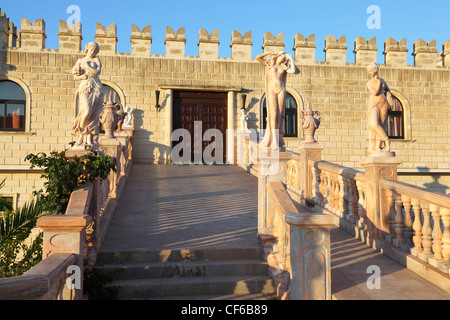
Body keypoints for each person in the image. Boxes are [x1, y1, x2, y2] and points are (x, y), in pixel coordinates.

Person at [256, 51, 295, 150]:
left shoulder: (283, 68)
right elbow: (258, 57)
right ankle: (273, 140)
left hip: (281, 89)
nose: (282, 57)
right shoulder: (269, 65)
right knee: (273, 113)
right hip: (272, 89)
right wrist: (269, 53)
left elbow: (293, 71)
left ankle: (277, 138)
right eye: (280, 55)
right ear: (276, 56)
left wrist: (290, 59)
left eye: (283, 56)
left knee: (280, 114)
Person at [72, 42, 103, 148]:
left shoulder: (96, 60)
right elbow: (75, 75)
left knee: (93, 114)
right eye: (92, 49)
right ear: (87, 49)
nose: (93, 52)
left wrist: (87, 67)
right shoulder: (80, 61)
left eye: (95, 50)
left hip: (96, 86)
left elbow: (97, 72)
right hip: (85, 85)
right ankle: (81, 135)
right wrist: (81, 77)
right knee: (87, 110)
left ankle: (89, 137)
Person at [366, 63, 392, 153]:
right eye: (369, 71)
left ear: (376, 70)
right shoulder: (370, 83)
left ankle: (378, 146)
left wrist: (389, 98)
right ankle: (387, 140)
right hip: (374, 103)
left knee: (382, 124)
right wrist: (378, 82)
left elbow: (387, 90)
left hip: (383, 103)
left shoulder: (383, 81)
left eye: (371, 70)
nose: (370, 73)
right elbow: (375, 92)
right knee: (374, 124)